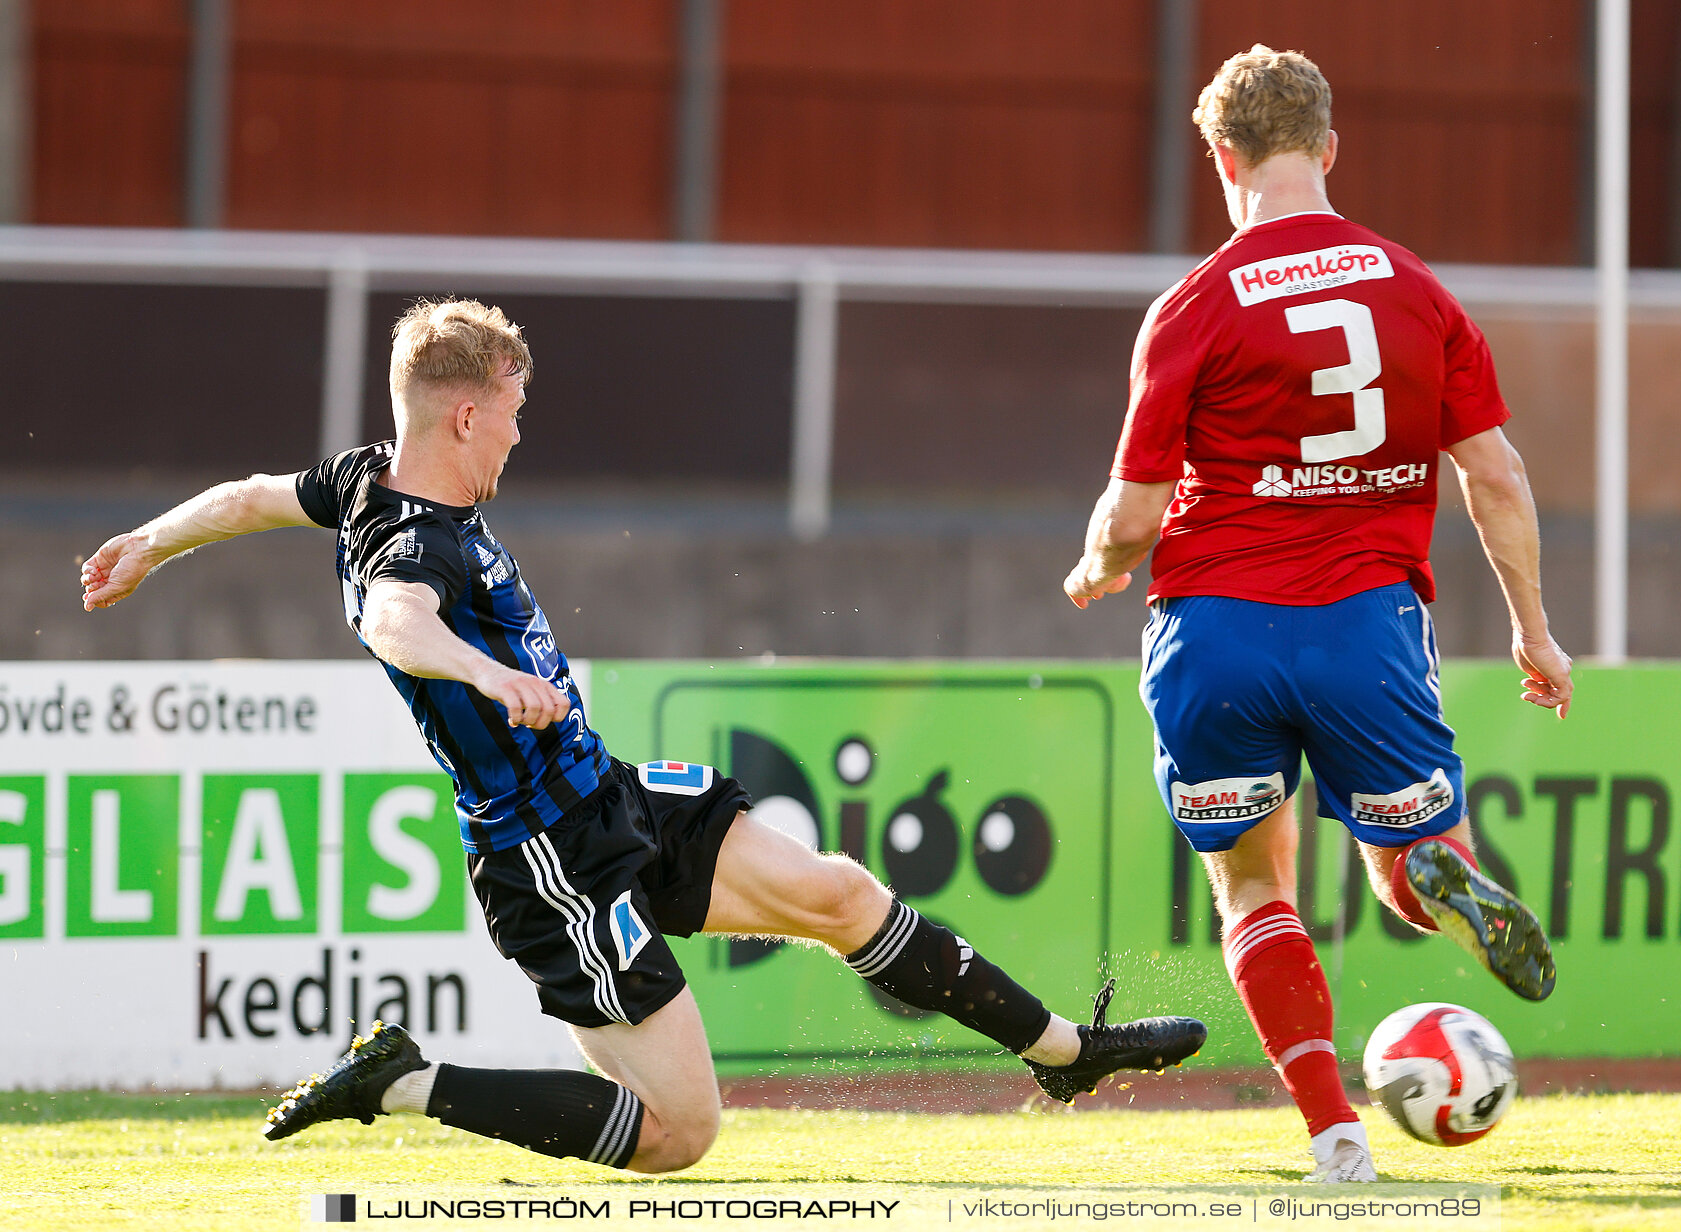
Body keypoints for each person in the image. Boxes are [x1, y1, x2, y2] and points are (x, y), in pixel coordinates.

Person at [80, 298, 1205, 1174]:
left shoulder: (363, 477)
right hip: (547, 857)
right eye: (512, 410)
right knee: (678, 1132)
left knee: (842, 893)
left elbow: (247, 496)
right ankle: (404, 1080)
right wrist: (487, 673)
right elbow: (393, 619)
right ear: (466, 413)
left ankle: (1065, 1051)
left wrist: (150, 540)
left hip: (607, 794)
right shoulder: (408, 543)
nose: (520, 431)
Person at [1062, 46, 1571, 1184]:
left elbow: (1136, 513)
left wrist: (1097, 561)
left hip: (1217, 634)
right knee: (1407, 868)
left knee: (1252, 882)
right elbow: (1496, 474)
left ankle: (1338, 1135)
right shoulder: (1415, 290)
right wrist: (1534, 628)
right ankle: (1433, 874)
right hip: (1366, 628)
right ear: (1330, 149)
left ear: (1222, 158)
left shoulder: (1193, 305)